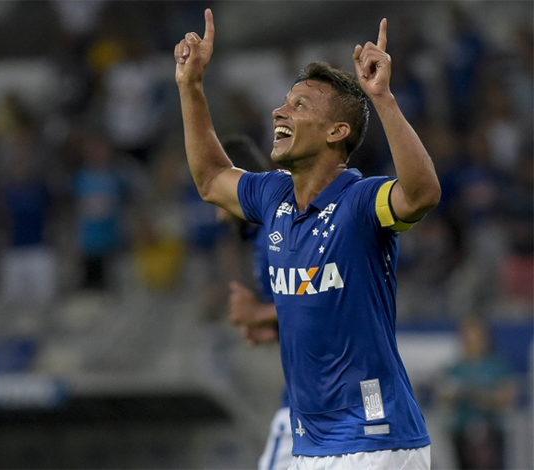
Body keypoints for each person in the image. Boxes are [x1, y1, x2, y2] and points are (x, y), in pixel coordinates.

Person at [175, 9, 441, 469]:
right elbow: (212, 178)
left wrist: (382, 99)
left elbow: (421, 193)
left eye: (300, 105)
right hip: (310, 444)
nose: (280, 110)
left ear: (337, 132)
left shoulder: (360, 202)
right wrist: (191, 86)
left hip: (376, 436)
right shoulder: (273, 196)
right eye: (284, 101)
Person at [218, 135, 293, 470]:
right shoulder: (269, 231)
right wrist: (271, 328)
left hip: (317, 399)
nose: (220, 217)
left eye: (218, 203)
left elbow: (327, 297)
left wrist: (259, 312)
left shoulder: (277, 232)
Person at [438, 316, 518, 470]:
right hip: (461, 433)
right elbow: (444, 396)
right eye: (468, 338)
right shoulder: (454, 369)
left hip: (492, 431)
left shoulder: (498, 366)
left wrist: (477, 395)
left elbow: (507, 396)